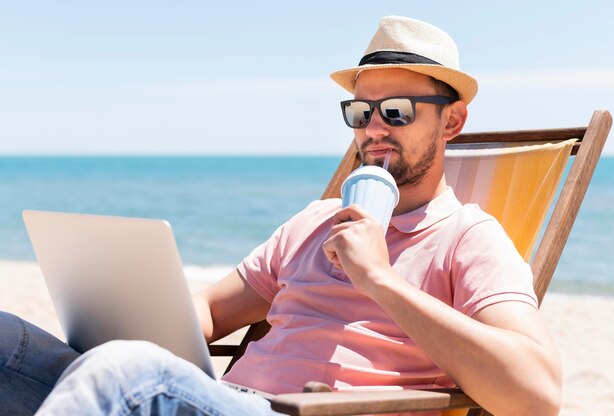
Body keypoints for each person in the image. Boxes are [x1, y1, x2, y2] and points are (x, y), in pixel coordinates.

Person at [0, 16, 562, 416]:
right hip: (218, 400)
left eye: (396, 111)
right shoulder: (315, 221)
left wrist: (379, 278)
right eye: (360, 111)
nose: (373, 129)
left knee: (126, 376)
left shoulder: (468, 238)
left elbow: (535, 396)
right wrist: (126, 312)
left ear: (452, 121)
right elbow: (209, 315)